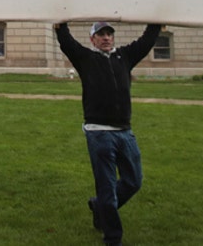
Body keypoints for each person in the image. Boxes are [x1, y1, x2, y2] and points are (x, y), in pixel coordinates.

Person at [56, 20, 161, 246]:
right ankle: (113, 238)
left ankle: (100, 207)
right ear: (92, 39)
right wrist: (60, 22)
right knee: (107, 187)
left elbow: (146, 41)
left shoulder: (125, 57)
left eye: (109, 34)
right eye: (101, 34)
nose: (106, 38)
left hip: (125, 131)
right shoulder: (86, 59)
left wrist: (155, 21)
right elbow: (66, 42)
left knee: (133, 181)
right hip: (99, 133)